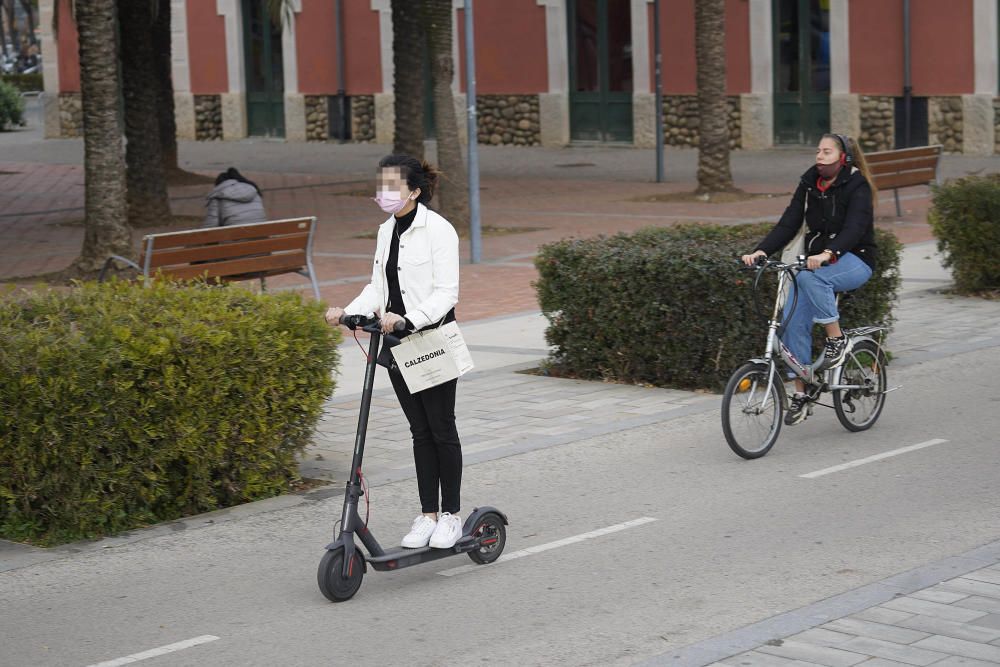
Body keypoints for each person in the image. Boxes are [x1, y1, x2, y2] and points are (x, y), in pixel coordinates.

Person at [325, 155, 464, 550]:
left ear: (415, 191)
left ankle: (450, 515)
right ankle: (427, 515)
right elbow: (378, 288)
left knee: (441, 429)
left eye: (392, 187)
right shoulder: (387, 231)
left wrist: (409, 319)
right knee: (419, 432)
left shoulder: (439, 230)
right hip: (396, 344)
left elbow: (446, 293)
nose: (383, 194)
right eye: (381, 186)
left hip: (430, 341)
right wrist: (349, 312)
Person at [741, 133, 878, 426]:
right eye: (818, 151)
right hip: (815, 264)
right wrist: (760, 251)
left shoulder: (857, 185)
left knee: (812, 280)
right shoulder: (808, 184)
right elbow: (789, 222)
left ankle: (836, 339)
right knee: (791, 322)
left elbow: (856, 227)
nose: (819, 156)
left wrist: (830, 252)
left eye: (826, 152)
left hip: (855, 259)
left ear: (843, 158)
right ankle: (802, 394)